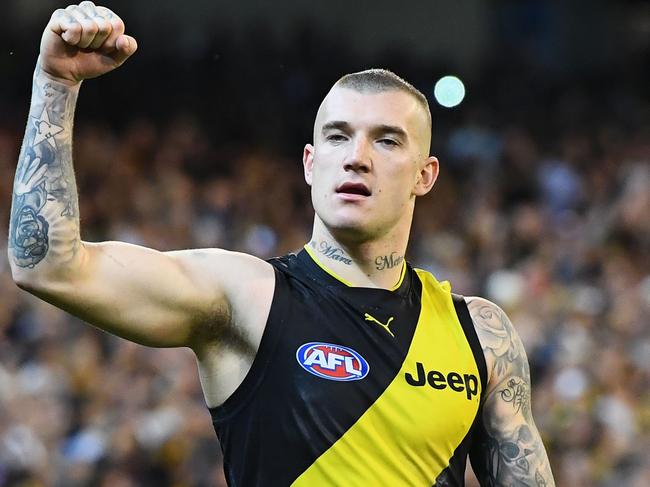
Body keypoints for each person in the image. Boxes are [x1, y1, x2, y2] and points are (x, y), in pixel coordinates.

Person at [7, 2, 555, 486]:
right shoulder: (247, 297)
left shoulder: (481, 335)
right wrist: (56, 83)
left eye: (386, 140)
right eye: (337, 136)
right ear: (311, 165)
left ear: (425, 175)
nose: (357, 156)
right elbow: (48, 266)